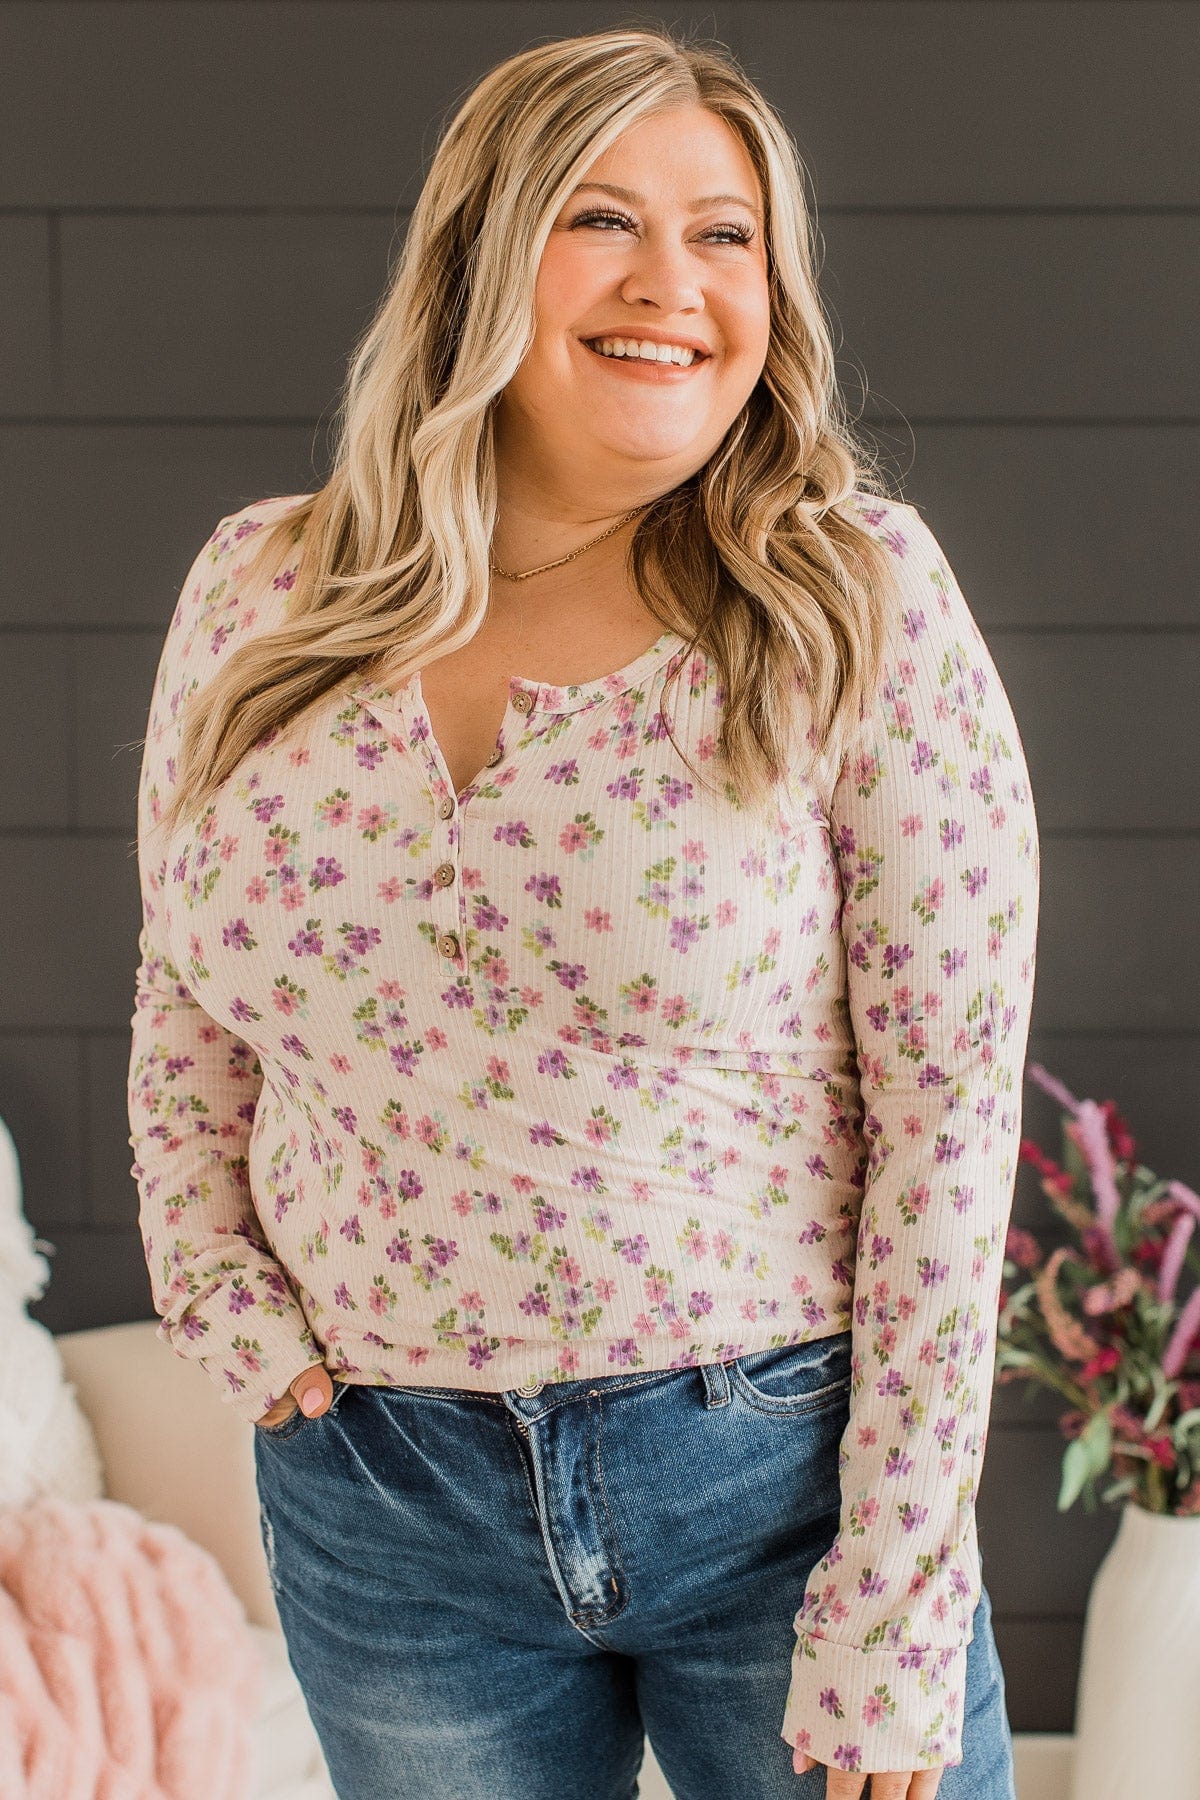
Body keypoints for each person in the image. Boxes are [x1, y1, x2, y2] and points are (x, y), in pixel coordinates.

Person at [127, 26, 1038, 1800]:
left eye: (726, 235)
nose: (672, 283)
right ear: (481, 253)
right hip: (379, 1500)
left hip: (776, 1488)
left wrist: (901, 1591)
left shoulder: (853, 599)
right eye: (603, 218)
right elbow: (185, 990)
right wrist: (215, 1284)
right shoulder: (260, 587)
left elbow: (951, 1116)